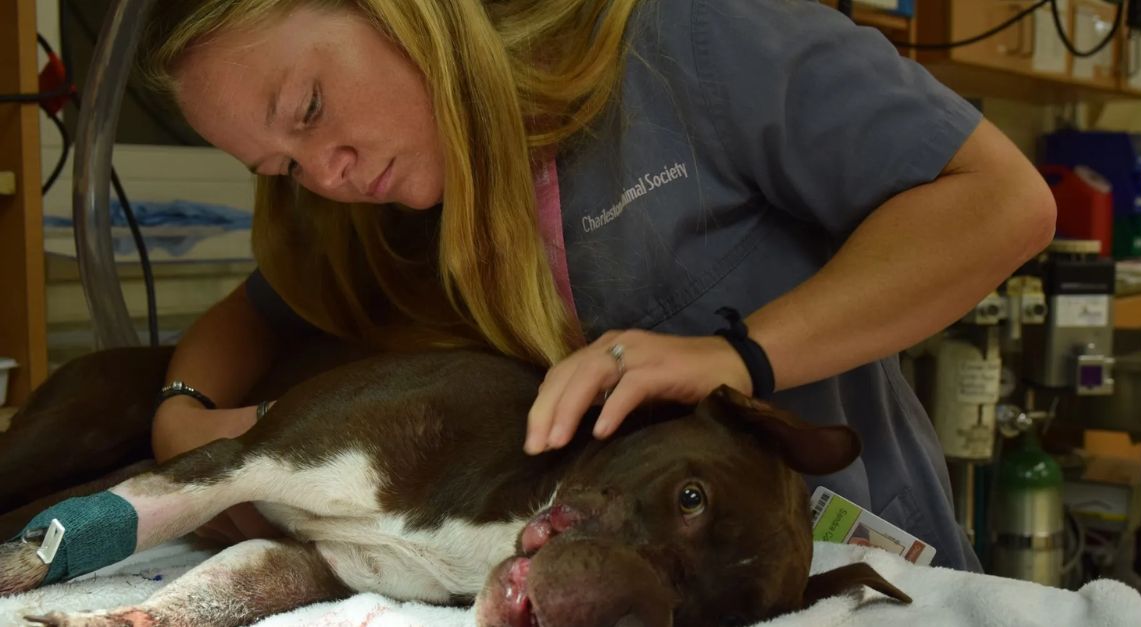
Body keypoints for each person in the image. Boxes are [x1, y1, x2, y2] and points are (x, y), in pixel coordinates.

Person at [139, 0, 1055, 571]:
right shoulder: (380, 210)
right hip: (597, 582)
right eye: (282, 166)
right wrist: (183, 414)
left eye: (309, 108)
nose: (326, 172)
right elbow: (256, 310)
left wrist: (735, 356)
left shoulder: (686, 44)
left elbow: (1000, 202)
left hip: (839, 567)